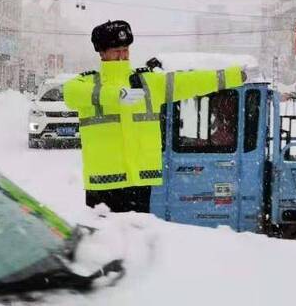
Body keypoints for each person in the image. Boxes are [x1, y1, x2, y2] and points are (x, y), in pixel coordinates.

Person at [63, 20, 246, 214]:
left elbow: (189, 82)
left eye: (125, 50)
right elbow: (70, 93)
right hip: (103, 183)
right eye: (116, 50)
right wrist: (116, 96)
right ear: (102, 53)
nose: (122, 55)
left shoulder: (147, 82)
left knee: (136, 237)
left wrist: (234, 76)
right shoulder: (88, 83)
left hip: (140, 182)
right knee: (104, 240)